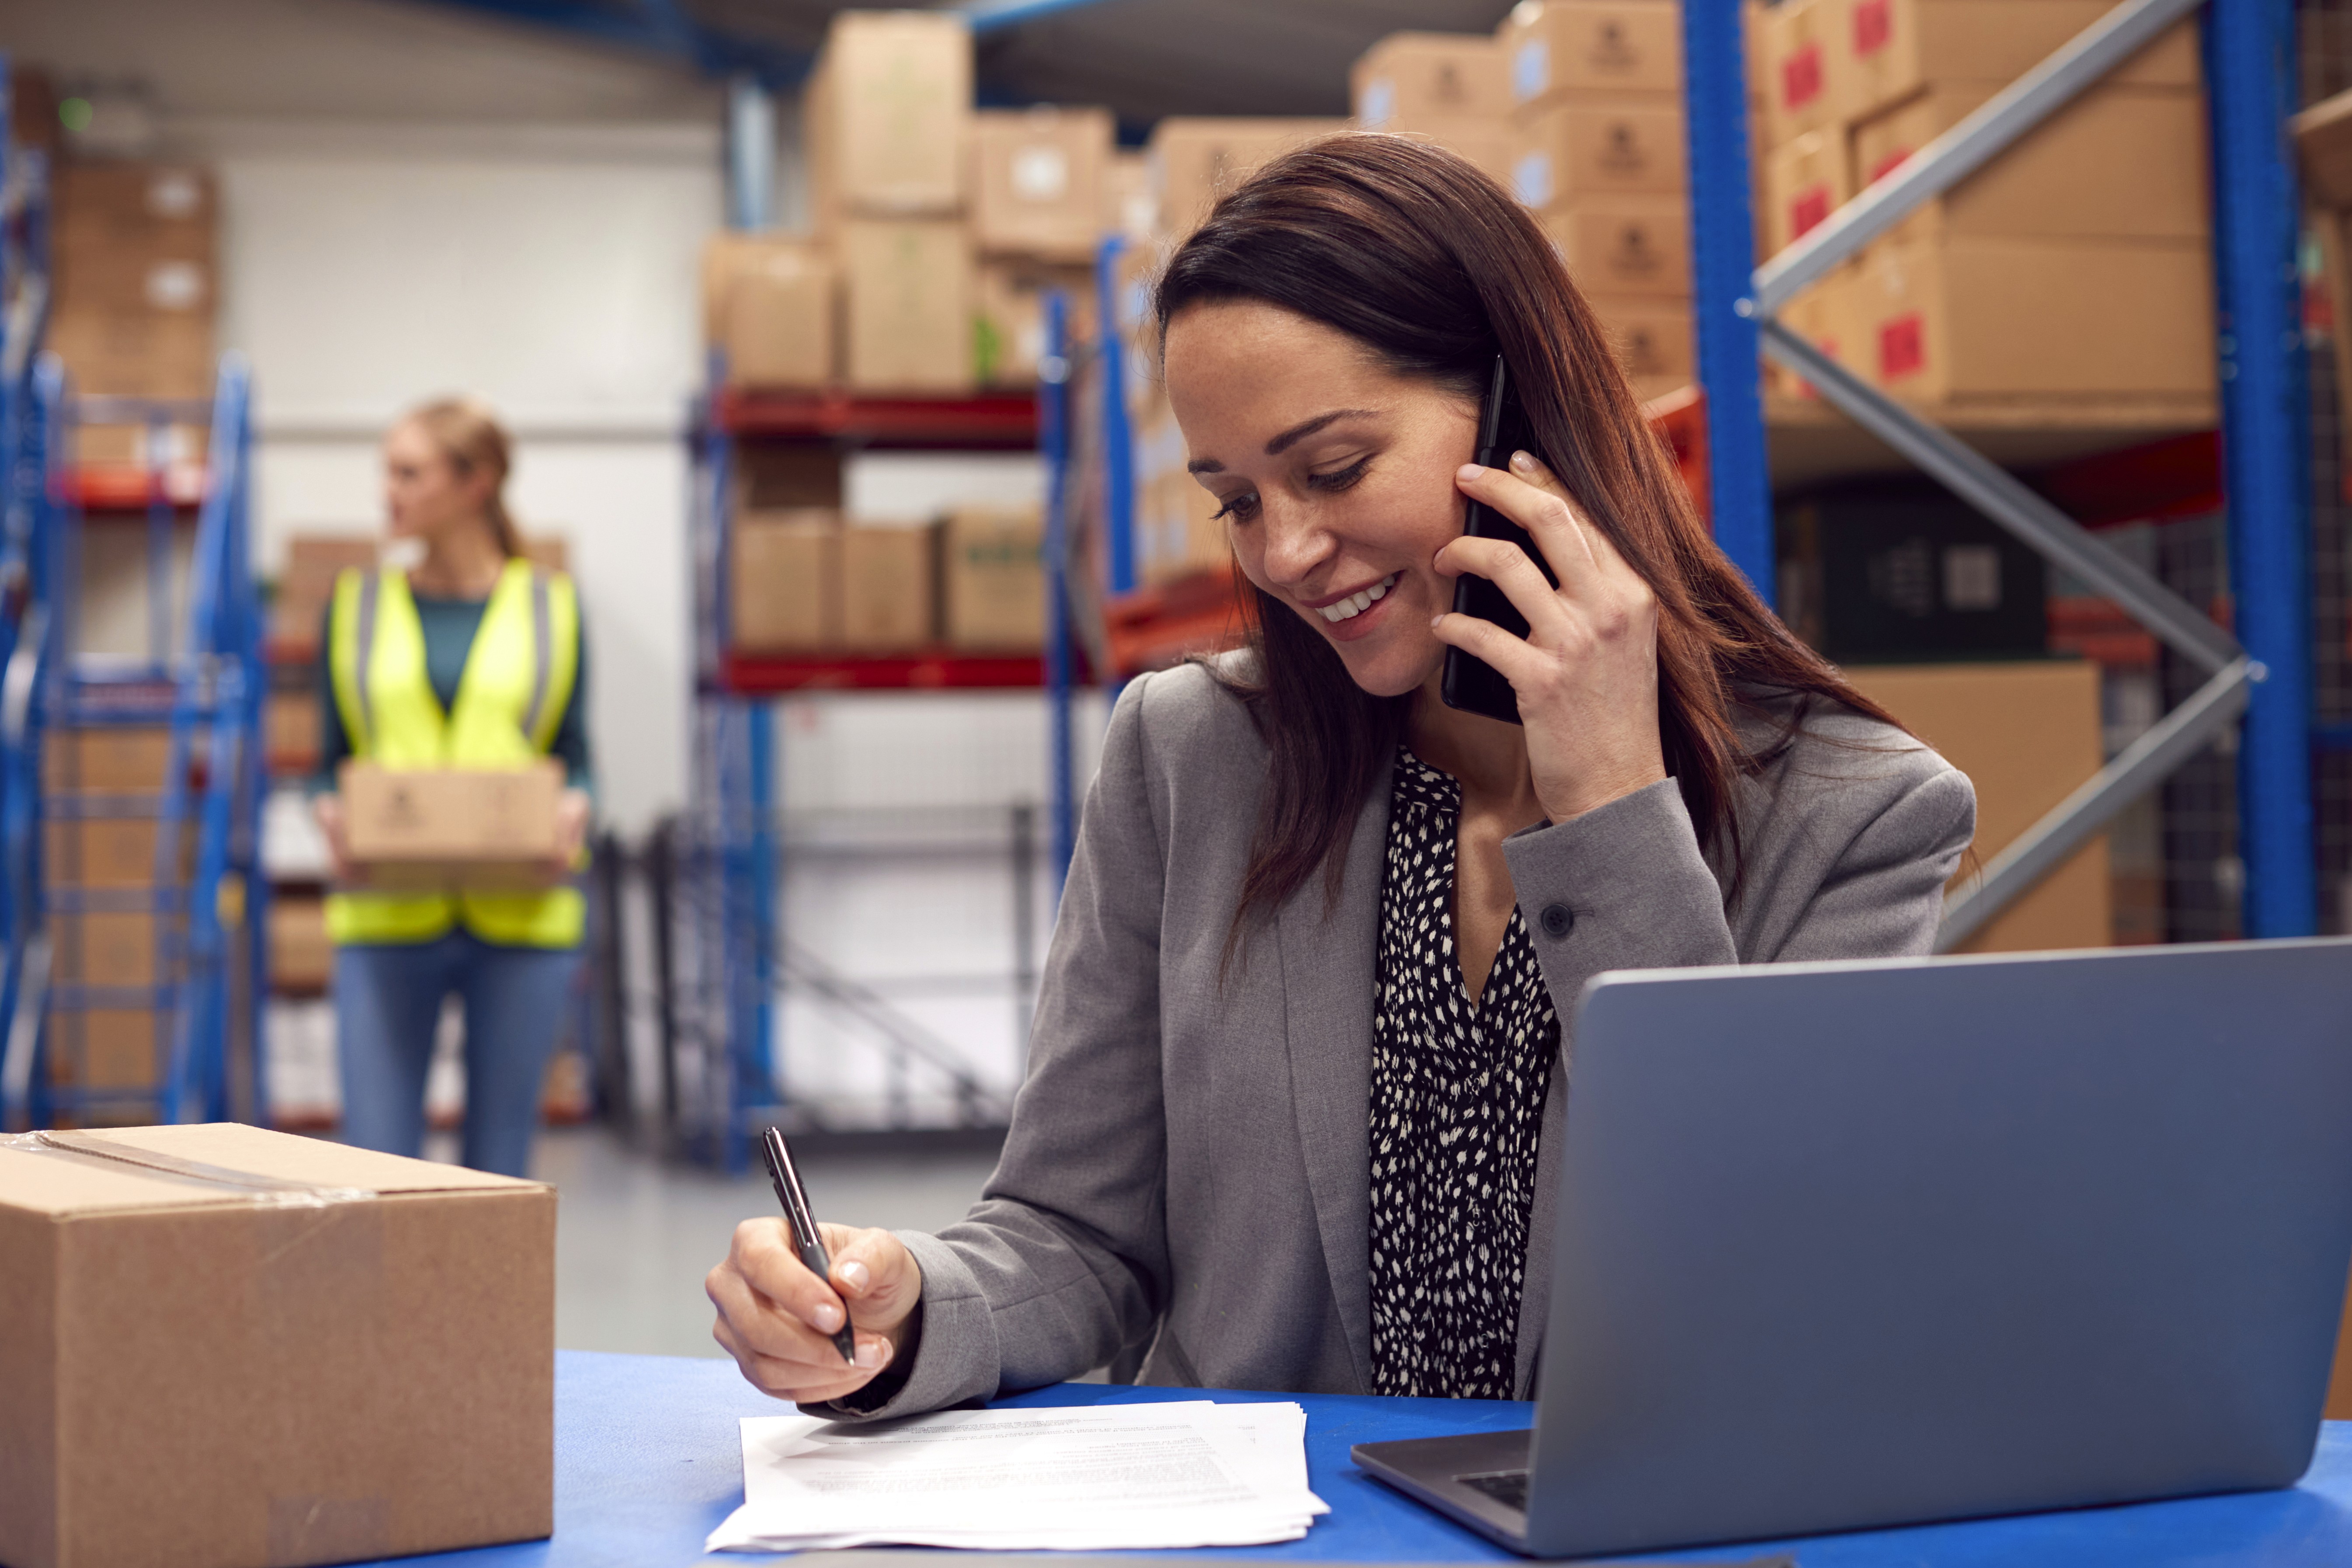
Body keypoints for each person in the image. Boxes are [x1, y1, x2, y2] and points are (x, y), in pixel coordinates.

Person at [706, 136, 1976, 1411]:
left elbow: (1767, 1273)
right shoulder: (1190, 756)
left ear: (1520, 417)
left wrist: (1609, 808)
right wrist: (908, 1307)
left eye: (1332, 470)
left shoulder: (1853, 813)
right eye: (1238, 501)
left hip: (1613, 1508)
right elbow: (1078, 1232)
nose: (1286, 553)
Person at [311, 396, 594, 1179]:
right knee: (376, 1166)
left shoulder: (551, 606)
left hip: (523, 913)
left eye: (408, 473)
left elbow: (575, 754)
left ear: (477, 482)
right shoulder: (357, 605)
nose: (388, 491)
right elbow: (328, 757)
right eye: (387, 472)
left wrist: (577, 806)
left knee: (498, 1172)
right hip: (385, 908)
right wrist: (328, 812)